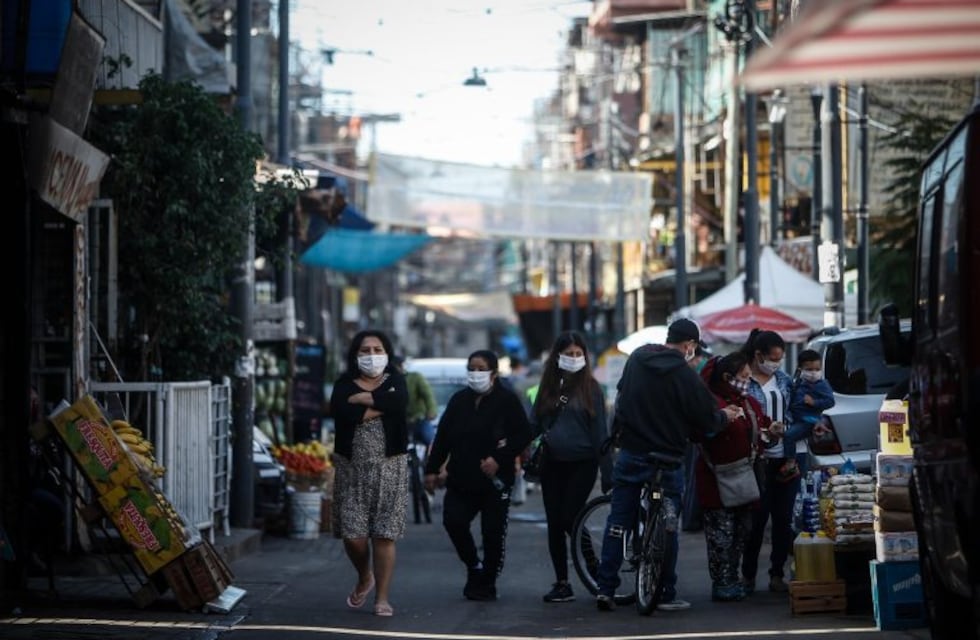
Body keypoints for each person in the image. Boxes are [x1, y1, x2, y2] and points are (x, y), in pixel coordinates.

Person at [595, 318, 741, 612]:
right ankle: (665, 592)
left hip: (631, 453)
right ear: (689, 346)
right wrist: (727, 416)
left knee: (619, 520)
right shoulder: (685, 375)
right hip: (668, 459)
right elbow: (707, 419)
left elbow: (622, 397)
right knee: (668, 523)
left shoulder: (637, 359)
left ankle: (605, 588)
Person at [423, 349, 532, 601]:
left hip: (495, 481)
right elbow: (442, 439)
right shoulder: (458, 400)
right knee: (454, 521)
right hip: (461, 477)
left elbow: (524, 434)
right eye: (471, 368)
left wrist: (499, 458)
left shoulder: (507, 400)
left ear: (494, 373)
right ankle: (474, 565)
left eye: (481, 369)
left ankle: (487, 581)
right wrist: (431, 469)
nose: (476, 374)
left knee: (492, 533)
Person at [329, 330, 409, 617]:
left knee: (384, 535)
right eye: (365, 350)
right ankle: (365, 575)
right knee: (353, 535)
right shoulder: (343, 385)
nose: (372, 355)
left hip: (391, 468)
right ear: (355, 354)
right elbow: (343, 412)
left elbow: (399, 403)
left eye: (377, 349)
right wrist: (381, 403)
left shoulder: (397, 381)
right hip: (352, 471)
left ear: (387, 352)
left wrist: (365, 399)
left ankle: (382, 598)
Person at [529, 331, 613, 603]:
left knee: (570, 517)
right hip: (552, 464)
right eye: (569, 354)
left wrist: (608, 471)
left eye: (578, 354)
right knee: (555, 523)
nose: (574, 358)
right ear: (557, 357)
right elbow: (533, 425)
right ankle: (562, 582)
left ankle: (593, 566)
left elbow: (601, 433)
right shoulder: (548, 388)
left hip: (583, 463)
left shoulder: (591, 389)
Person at [696, 352, 771, 601]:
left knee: (742, 532)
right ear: (728, 377)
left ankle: (733, 577)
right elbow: (701, 431)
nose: (748, 381)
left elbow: (761, 425)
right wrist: (724, 419)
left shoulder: (748, 402)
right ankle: (721, 582)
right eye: (744, 377)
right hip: (717, 480)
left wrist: (771, 430)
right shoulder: (711, 403)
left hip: (745, 478)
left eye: (750, 376)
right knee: (721, 535)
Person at [738, 329, 794, 595]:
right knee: (756, 522)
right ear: (758, 356)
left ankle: (776, 573)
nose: (776, 364)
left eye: (780, 359)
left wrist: (787, 428)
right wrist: (763, 431)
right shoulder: (745, 381)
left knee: (783, 520)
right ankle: (748, 575)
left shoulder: (784, 380)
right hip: (757, 461)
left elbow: (794, 411)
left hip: (785, 458)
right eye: (772, 358)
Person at [780, 349, 835, 481]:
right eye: (809, 369)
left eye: (817, 369)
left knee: (788, 436)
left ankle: (791, 463)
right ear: (801, 369)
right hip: (797, 419)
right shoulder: (798, 382)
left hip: (809, 421)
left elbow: (830, 401)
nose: (813, 373)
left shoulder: (821, 385)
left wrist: (813, 402)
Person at [392, 355, 438, 447]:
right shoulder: (387, 381)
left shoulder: (415, 378)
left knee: (429, 438)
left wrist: (431, 411)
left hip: (418, 418)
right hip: (398, 421)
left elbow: (427, 395)